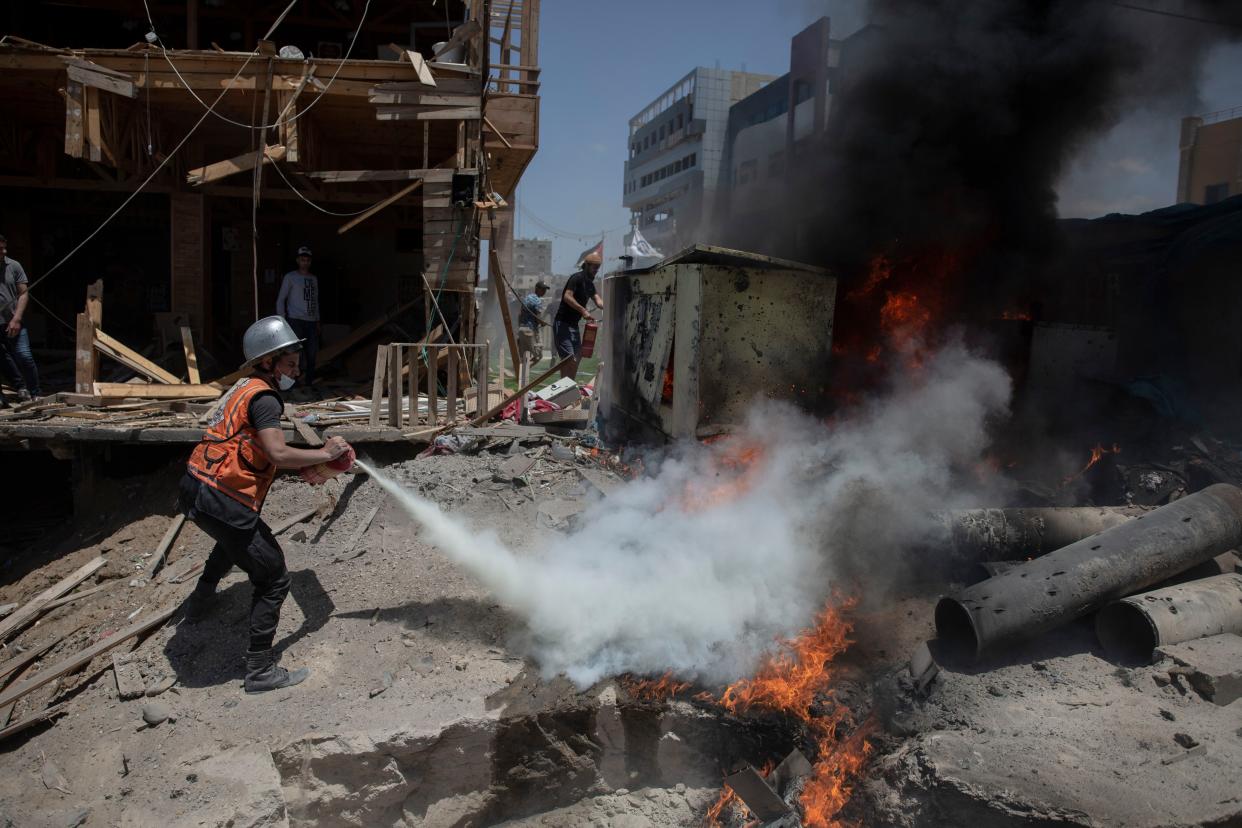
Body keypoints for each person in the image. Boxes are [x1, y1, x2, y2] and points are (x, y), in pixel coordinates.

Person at [180, 316, 352, 693]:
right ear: (269, 361)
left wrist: (311, 462)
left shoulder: (245, 388)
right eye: (289, 363)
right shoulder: (265, 398)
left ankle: (198, 604)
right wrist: (324, 451)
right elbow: (275, 452)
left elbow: (255, 449)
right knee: (274, 578)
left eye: (297, 362)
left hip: (195, 486)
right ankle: (259, 669)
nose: (296, 369)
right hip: (223, 497)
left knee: (232, 541)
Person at [0, 235, 42, 407]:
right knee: (2, 359)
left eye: (4, 247)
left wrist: (17, 318)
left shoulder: (14, 266)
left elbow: (23, 293)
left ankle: (36, 393)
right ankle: (13, 390)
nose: (4, 251)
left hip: (13, 322)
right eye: (0, 249)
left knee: (24, 356)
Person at [553, 251, 605, 379]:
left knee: (577, 356)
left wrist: (612, 306)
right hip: (563, 324)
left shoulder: (590, 285)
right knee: (569, 358)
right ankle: (563, 389)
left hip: (573, 326)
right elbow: (567, 296)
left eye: (598, 268)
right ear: (587, 265)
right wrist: (583, 311)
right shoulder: (576, 278)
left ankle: (569, 386)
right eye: (595, 267)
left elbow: (599, 301)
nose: (596, 271)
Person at [275, 246, 319, 386]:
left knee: (311, 355)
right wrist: (282, 320)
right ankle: (292, 385)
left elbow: (315, 300)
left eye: (307, 260)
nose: (304, 262)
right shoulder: (291, 277)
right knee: (294, 355)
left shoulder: (313, 279)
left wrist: (318, 320)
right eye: (302, 260)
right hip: (295, 320)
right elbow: (281, 299)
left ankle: (308, 384)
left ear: (310, 262)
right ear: (297, 261)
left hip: (311, 321)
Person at [516, 280, 550, 370]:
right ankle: (523, 371)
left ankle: (521, 375)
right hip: (530, 331)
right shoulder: (537, 300)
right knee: (538, 356)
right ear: (536, 289)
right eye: (542, 289)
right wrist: (543, 323)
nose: (544, 292)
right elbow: (538, 318)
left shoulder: (527, 298)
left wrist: (519, 328)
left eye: (545, 290)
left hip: (522, 330)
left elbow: (519, 314)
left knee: (525, 356)